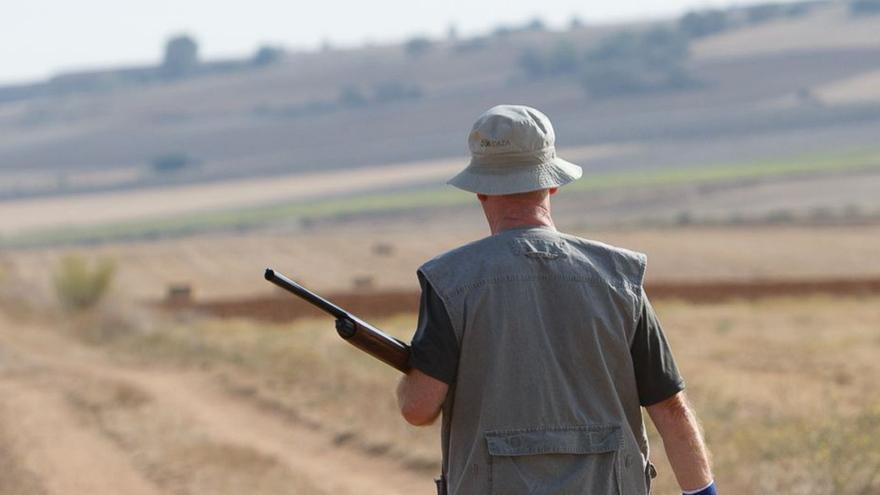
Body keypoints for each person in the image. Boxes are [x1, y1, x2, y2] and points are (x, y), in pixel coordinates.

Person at [396, 105, 716, 495]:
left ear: (479, 189)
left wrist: (409, 371)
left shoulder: (450, 281)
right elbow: (671, 409)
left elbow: (418, 408)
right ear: (552, 183)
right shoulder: (618, 276)